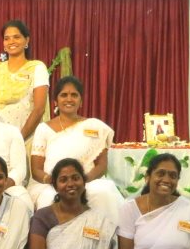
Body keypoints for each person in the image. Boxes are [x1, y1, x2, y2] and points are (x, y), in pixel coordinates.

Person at [28, 76, 124, 221]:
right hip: (52, 184)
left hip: (88, 181)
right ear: (55, 101)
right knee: (49, 198)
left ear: (81, 101)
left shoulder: (95, 126)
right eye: (64, 95)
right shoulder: (44, 128)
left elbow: (101, 165)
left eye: (74, 95)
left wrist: (84, 180)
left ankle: (104, 234)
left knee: (104, 192)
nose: (69, 99)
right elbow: (36, 170)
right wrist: (53, 181)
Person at [0, 20, 49, 142]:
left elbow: (39, 109)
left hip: (27, 138)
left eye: (16, 37)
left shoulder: (37, 68)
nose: (11, 41)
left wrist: (19, 139)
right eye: (7, 38)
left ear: (27, 40)